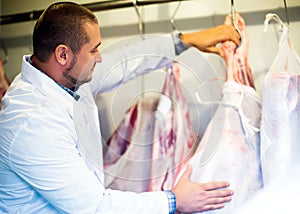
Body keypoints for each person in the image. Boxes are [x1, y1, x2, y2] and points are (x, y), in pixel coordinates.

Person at [0, 2, 241, 214]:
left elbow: (124, 62)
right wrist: (173, 201)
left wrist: (183, 41)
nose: (100, 57)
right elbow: (93, 207)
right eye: (94, 50)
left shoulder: (65, 79)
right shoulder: (31, 121)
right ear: (63, 54)